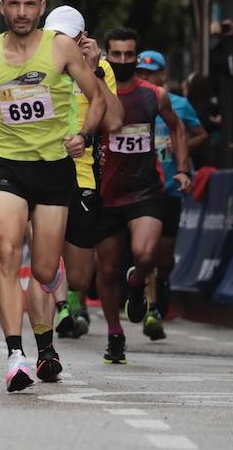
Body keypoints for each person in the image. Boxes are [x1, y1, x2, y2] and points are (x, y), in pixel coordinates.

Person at [0, 0, 109, 393]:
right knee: (6, 252)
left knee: (43, 269)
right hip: (7, 165)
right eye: (14, 4)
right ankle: (15, 355)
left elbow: (96, 97)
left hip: (54, 168)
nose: (21, 12)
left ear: (41, 8)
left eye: (29, 4)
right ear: (2, 7)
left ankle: (46, 341)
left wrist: (84, 135)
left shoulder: (60, 48)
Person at [94, 30, 191, 364]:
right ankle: (114, 334)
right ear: (107, 56)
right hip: (106, 192)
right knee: (107, 270)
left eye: (128, 55)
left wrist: (182, 169)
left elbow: (177, 127)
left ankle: (136, 284)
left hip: (144, 189)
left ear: (136, 57)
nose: (123, 61)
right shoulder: (96, 92)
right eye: (116, 55)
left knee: (146, 254)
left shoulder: (154, 95)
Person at [40, 6, 111, 342]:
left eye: (66, 37)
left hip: (83, 175)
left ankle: (69, 296)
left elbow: (115, 121)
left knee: (81, 277)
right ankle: (54, 320)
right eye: (53, 35)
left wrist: (94, 71)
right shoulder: (36, 62)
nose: (59, 42)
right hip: (40, 168)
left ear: (83, 38)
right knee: (42, 256)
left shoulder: (102, 69)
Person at [137, 48, 207, 332]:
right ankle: (151, 305)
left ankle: (163, 282)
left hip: (169, 188)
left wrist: (181, 145)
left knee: (164, 257)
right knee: (145, 251)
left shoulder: (178, 104)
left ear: (163, 75)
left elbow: (201, 134)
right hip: (142, 189)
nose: (146, 78)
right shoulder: (130, 99)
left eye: (152, 73)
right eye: (141, 72)